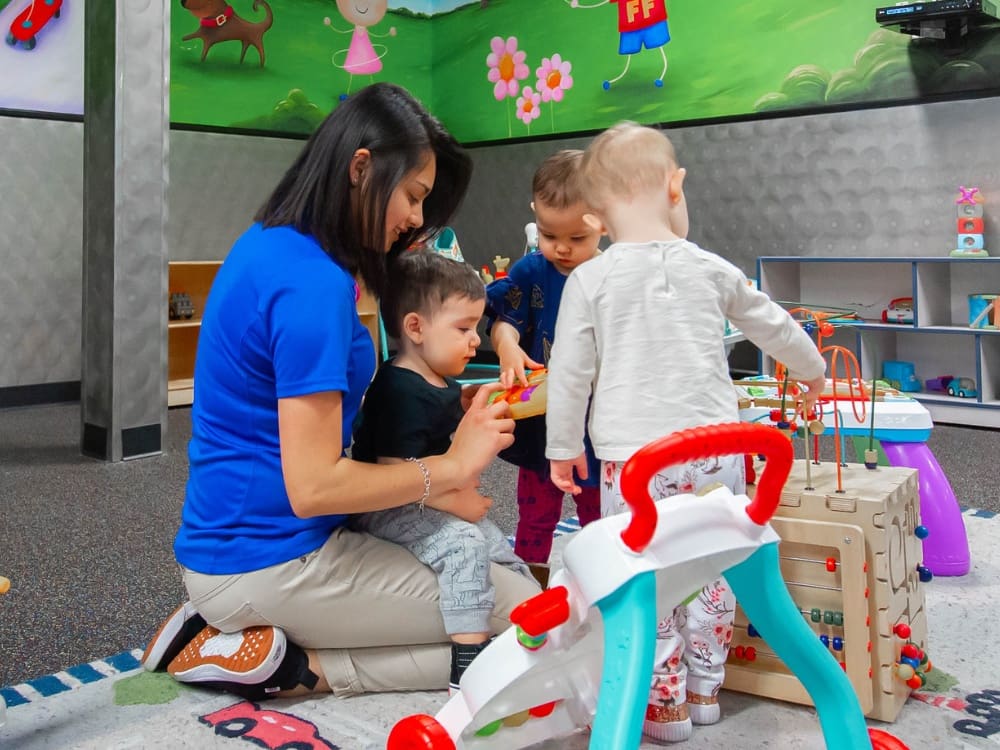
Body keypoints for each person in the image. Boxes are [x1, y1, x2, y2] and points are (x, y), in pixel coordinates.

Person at [140, 82, 540, 700]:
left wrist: (437, 402)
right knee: (525, 616)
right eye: (413, 195)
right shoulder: (312, 286)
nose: (415, 219)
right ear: (361, 168)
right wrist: (452, 465)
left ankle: (227, 627)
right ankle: (295, 666)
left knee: (479, 575)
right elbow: (316, 486)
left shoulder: (274, 247)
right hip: (270, 560)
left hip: (242, 544)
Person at [545, 122, 827, 743]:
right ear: (676, 187)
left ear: (594, 214)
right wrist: (813, 368)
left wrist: (562, 447)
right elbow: (771, 322)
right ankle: (705, 688)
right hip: (718, 453)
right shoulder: (709, 266)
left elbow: (569, 371)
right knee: (713, 566)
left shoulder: (590, 279)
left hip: (637, 463)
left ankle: (665, 703)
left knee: (649, 573)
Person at [350, 250, 532, 693]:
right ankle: (468, 671)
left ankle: (535, 622)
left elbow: (444, 425)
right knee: (467, 541)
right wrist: (457, 502)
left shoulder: (440, 380)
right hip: (387, 507)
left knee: (495, 542)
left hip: (432, 500)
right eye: (463, 329)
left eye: (476, 328)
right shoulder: (397, 389)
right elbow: (395, 475)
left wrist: (467, 404)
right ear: (415, 328)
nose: (475, 341)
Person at [485, 150, 602, 586]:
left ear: (603, 219)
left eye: (577, 237)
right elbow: (504, 322)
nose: (563, 249)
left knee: (601, 513)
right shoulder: (533, 269)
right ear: (536, 215)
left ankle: (603, 586)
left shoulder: (613, 273)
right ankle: (528, 587)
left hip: (596, 422)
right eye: (551, 235)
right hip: (543, 420)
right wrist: (507, 348)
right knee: (536, 512)